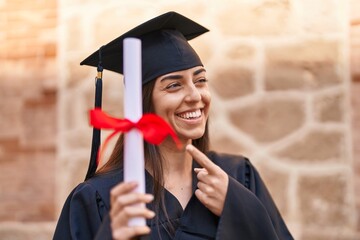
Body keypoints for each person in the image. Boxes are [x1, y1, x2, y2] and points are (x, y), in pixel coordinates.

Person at [53, 11, 294, 240]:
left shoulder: (239, 176)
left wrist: (238, 208)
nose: (194, 96)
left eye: (200, 80)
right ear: (144, 104)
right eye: (173, 85)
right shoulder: (101, 197)